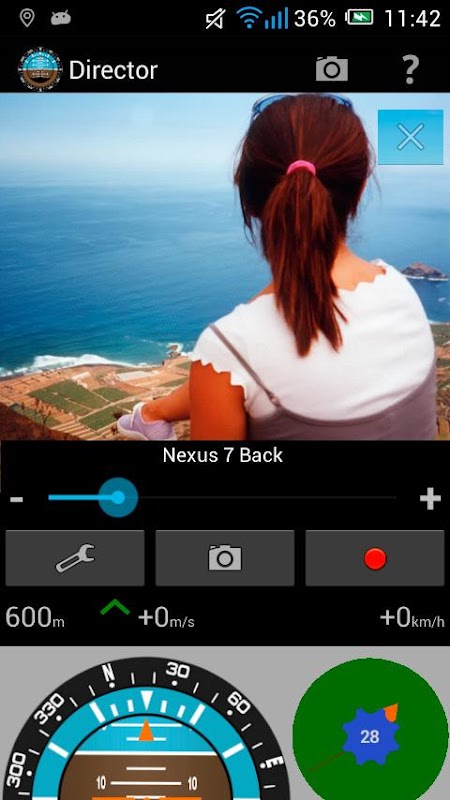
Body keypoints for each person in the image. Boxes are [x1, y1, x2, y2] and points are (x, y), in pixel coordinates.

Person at [118, 93, 436, 441]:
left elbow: (240, 364)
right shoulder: (400, 290)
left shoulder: (232, 344)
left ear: (251, 199)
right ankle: (150, 414)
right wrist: (158, 410)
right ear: (359, 189)